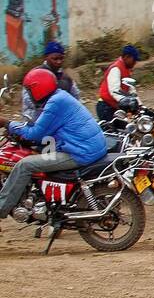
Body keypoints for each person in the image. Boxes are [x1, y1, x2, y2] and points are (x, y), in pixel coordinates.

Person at [0, 69, 108, 221]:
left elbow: (36, 133)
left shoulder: (55, 103)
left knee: (24, 165)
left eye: (29, 90)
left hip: (80, 152)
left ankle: (2, 207)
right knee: (39, 153)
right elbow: (43, 128)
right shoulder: (60, 97)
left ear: (38, 88)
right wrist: (18, 127)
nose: (28, 94)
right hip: (87, 146)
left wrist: (7, 123)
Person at [20, 41, 80, 121]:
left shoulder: (65, 78)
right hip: (36, 119)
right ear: (46, 57)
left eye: (61, 58)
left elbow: (76, 98)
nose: (59, 62)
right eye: (55, 59)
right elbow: (28, 101)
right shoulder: (35, 75)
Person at [97, 45, 140, 121]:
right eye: (134, 60)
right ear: (127, 57)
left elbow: (131, 90)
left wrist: (140, 105)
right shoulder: (116, 68)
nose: (135, 63)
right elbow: (115, 91)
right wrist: (128, 103)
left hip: (117, 106)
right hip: (106, 107)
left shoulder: (127, 70)